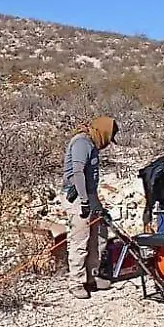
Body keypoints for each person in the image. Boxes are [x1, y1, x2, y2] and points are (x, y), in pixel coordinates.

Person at [61, 116, 118, 299]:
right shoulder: (82, 143)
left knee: (99, 235)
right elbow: (77, 173)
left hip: (89, 196)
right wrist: (85, 201)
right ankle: (76, 282)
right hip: (77, 198)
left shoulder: (91, 144)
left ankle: (92, 277)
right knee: (80, 239)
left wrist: (96, 203)